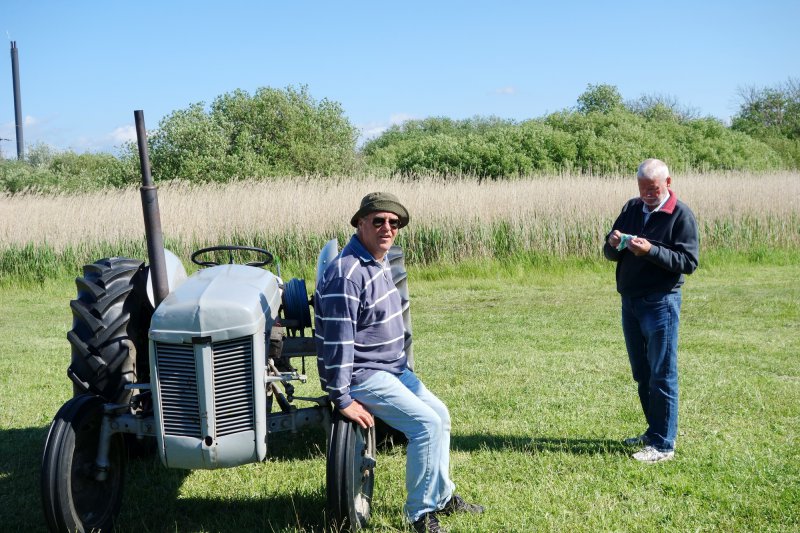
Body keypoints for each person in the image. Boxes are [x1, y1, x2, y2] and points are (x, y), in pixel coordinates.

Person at [314, 192, 483, 532]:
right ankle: (420, 515)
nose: (387, 228)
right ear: (360, 223)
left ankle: (441, 495)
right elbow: (336, 342)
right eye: (378, 221)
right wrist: (342, 397)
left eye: (394, 223)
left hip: (394, 369)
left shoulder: (379, 261)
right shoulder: (347, 274)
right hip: (365, 374)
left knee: (441, 416)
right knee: (425, 425)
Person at [603, 158, 699, 463]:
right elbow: (609, 253)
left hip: (661, 304)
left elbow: (688, 262)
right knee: (642, 372)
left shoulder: (680, 214)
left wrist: (650, 251)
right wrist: (613, 242)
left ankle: (663, 444)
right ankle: (653, 431)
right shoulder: (631, 208)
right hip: (630, 302)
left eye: (653, 188)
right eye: (642, 188)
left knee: (662, 373)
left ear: (668, 183)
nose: (647, 194)